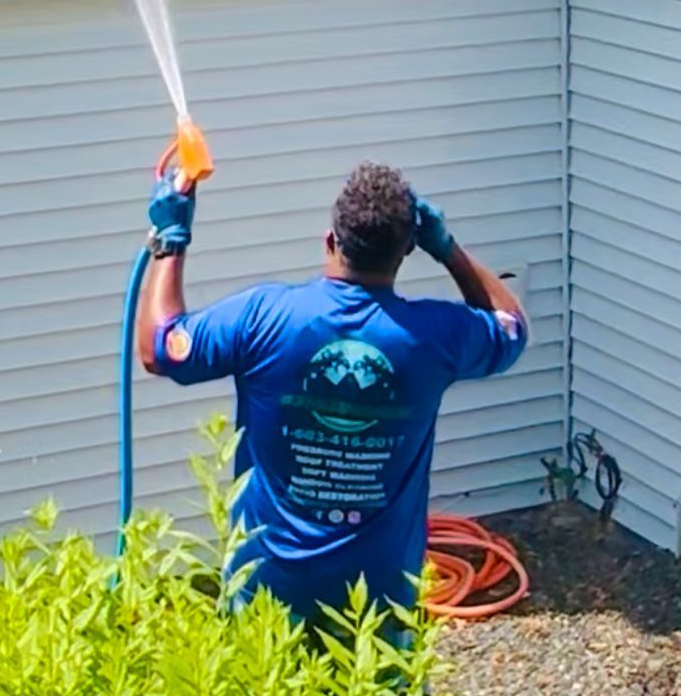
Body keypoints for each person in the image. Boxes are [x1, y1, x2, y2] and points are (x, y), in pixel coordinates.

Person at [136, 159, 528, 622]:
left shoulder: (264, 317)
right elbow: (512, 328)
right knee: (377, 695)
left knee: (263, 695)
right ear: (406, 252)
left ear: (330, 240)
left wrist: (170, 239)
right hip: (377, 600)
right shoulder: (435, 336)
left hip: (267, 588)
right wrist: (448, 249)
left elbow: (160, 349)